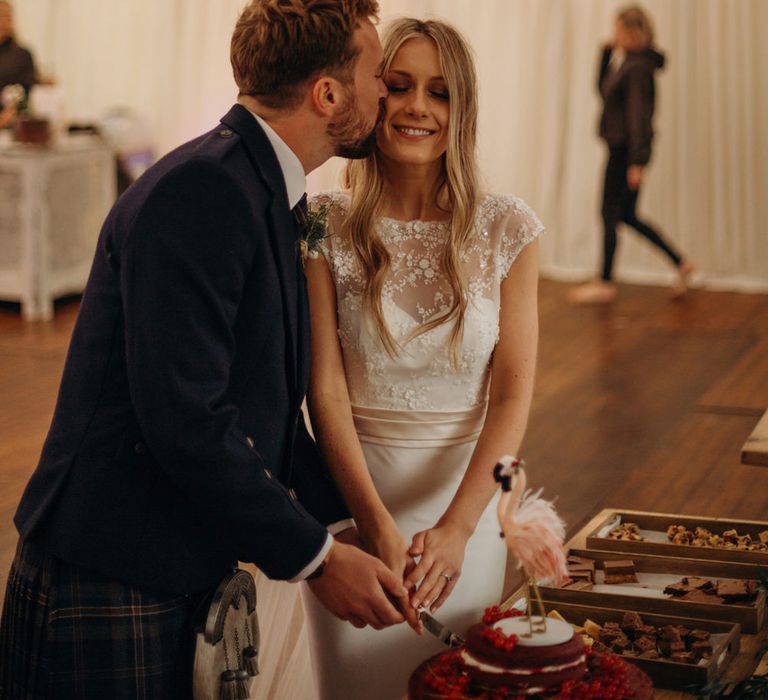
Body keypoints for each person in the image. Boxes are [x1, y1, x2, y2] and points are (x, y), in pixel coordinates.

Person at [0, 1, 412, 697]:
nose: (385, 92)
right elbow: (186, 420)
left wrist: (343, 528)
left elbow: (266, 408)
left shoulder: (266, 189)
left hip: (171, 558)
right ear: (329, 93)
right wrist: (315, 558)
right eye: (378, 75)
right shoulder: (201, 192)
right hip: (110, 569)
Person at [301, 18, 542, 699]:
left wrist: (459, 529)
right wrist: (371, 525)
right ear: (372, 96)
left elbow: (513, 397)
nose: (416, 107)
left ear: (460, 109)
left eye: (439, 93)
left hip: (467, 508)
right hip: (354, 511)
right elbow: (326, 394)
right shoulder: (324, 225)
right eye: (399, 86)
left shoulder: (506, 229)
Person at [569, 4, 693, 304]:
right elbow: (603, 91)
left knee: (610, 213)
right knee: (625, 215)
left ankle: (605, 282)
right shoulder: (630, 63)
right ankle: (680, 262)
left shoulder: (637, 68)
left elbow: (641, 117)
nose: (614, 35)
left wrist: (638, 161)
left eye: (617, 30)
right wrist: (605, 54)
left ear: (630, 31)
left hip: (625, 152)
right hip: (622, 150)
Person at [0, 0, 37, 128]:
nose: (4, 20)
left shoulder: (22, 54)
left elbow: (29, 89)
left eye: (7, 16)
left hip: (13, 123)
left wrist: (9, 114)